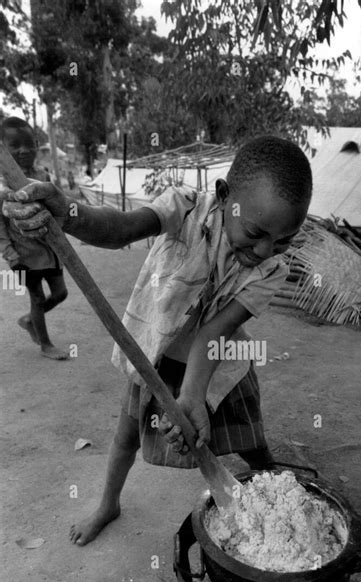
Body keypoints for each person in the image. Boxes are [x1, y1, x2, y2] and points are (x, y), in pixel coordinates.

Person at [2, 135, 312, 545]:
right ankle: (108, 504)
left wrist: (193, 395)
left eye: (283, 240)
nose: (266, 250)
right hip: (152, 354)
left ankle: (273, 483)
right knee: (126, 436)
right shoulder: (183, 209)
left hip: (216, 363)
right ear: (224, 197)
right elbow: (120, 229)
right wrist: (70, 214)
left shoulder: (273, 270)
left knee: (248, 434)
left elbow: (215, 329)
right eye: (255, 233)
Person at [0, 116, 69, 360]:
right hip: (23, 254)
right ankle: (46, 345)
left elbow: (55, 207)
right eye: (15, 146)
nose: (24, 150)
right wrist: (9, 253)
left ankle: (30, 320)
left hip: (49, 250)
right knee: (37, 297)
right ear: (3, 150)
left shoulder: (42, 175)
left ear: (37, 144)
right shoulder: (3, 184)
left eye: (29, 144)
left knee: (61, 293)